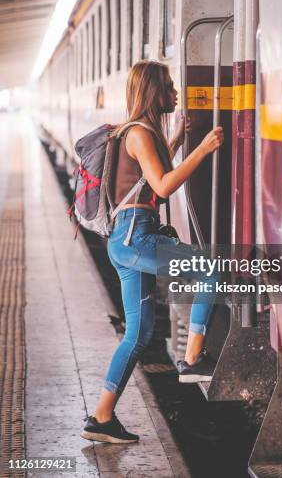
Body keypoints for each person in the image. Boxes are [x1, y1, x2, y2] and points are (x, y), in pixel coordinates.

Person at [81, 60, 224, 444]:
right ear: (154, 92)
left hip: (124, 242)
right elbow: (161, 187)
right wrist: (203, 150)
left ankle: (102, 418)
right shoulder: (139, 133)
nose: (176, 92)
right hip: (136, 237)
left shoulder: (134, 132)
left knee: (138, 334)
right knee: (211, 268)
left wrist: (177, 141)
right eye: (170, 87)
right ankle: (193, 359)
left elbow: (143, 176)